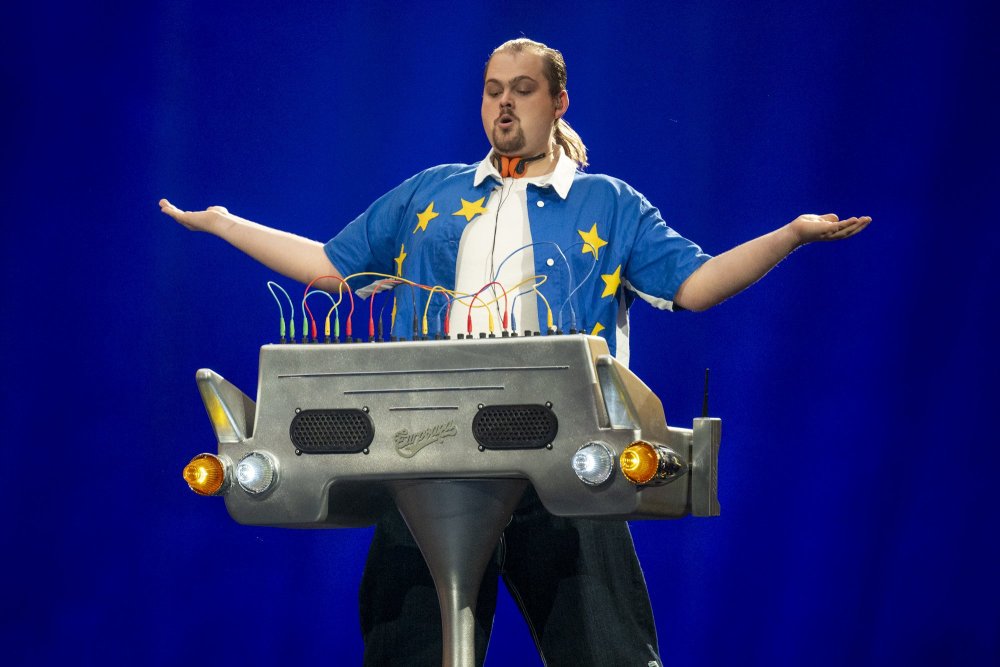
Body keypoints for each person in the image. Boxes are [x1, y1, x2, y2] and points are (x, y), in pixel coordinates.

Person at [161, 37, 869, 666]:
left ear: (558, 101)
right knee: (404, 645)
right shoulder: (432, 193)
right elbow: (331, 266)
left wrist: (791, 235)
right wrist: (225, 224)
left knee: (605, 650)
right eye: (493, 90)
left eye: (522, 89)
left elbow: (697, 283)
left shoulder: (606, 203)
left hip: (560, 456)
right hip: (425, 460)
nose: (504, 105)